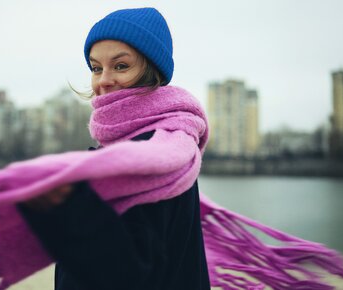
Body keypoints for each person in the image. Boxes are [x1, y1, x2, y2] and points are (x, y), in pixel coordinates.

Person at [17, 7, 211, 290]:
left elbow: (125, 276)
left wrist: (66, 204)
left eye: (121, 66)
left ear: (152, 72)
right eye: (96, 68)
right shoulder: (164, 146)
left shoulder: (154, 155)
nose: (103, 80)